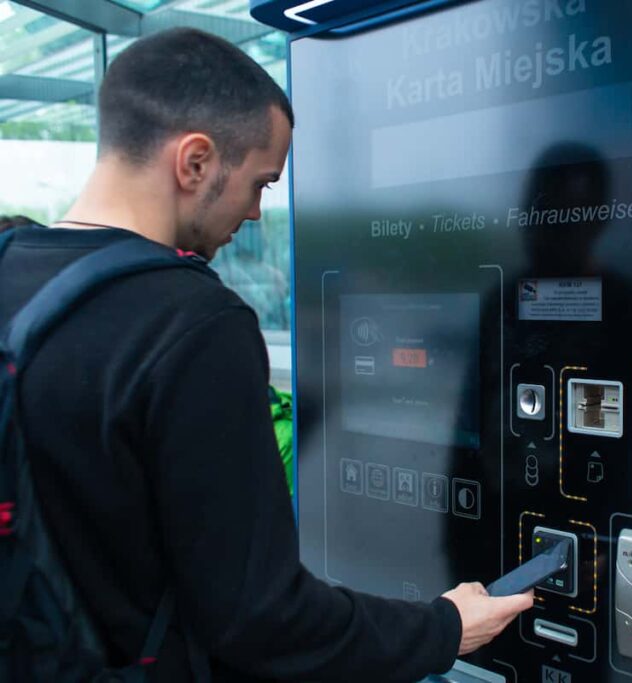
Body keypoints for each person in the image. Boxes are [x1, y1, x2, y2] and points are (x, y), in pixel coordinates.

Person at [0, 28, 531, 682]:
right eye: (259, 182)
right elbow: (259, 615)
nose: (255, 213)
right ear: (194, 161)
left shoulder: (9, 269)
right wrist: (443, 626)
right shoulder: (192, 320)